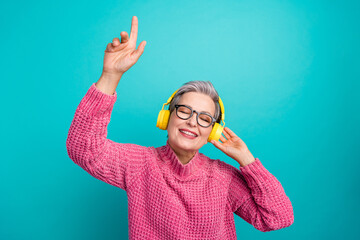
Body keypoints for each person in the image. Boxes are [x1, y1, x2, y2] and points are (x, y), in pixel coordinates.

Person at [66, 16, 294, 240]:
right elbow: (83, 150)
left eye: (205, 118)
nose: (193, 121)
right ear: (167, 117)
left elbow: (277, 218)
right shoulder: (139, 164)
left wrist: (247, 161)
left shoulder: (223, 178)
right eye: (185, 111)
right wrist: (110, 75)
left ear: (211, 132)